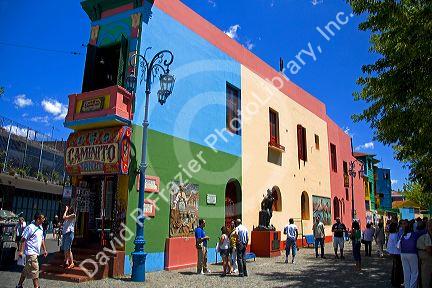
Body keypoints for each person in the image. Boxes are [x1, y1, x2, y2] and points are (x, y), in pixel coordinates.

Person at [15, 213, 48, 288]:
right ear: (38, 219)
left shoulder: (40, 227)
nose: (44, 219)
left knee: (26, 270)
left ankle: (19, 285)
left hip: (35, 253)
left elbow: (42, 239)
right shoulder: (30, 227)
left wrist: (45, 250)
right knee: (35, 269)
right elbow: (23, 239)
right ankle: (36, 286)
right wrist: (21, 251)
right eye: (42, 218)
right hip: (30, 252)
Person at [400, 219, 420, 288]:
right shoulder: (415, 234)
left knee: (406, 272)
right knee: (414, 272)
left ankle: (407, 286)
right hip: (412, 253)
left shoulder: (402, 235)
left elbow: (398, 246)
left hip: (403, 254)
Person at [387, 222, 403, 287]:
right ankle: (396, 281)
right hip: (396, 252)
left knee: (394, 267)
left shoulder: (391, 234)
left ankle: (393, 281)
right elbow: (397, 245)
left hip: (392, 252)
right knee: (397, 268)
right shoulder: (396, 235)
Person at [416, 219, 432, 288]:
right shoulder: (427, 234)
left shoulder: (419, 232)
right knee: (426, 275)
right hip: (426, 255)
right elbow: (428, 249)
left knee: (423, 273)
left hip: (421, 255)